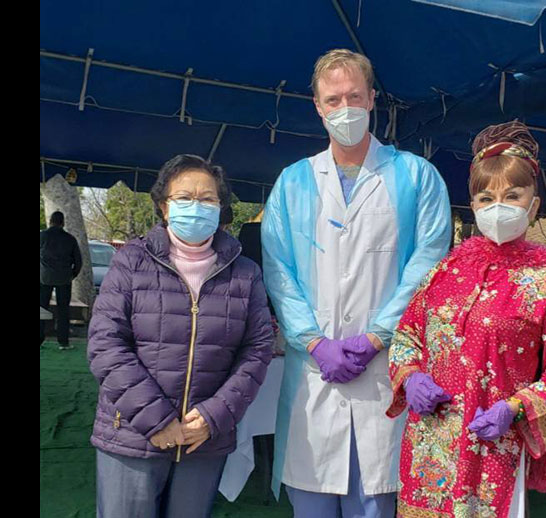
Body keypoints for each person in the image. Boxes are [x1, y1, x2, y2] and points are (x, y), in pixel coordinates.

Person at [261, 49, 452, 518]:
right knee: (311, 501)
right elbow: (279, 270)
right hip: (314, 374)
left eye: (353, 97)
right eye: (333, 100)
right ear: (317, 106)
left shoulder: (417, 177)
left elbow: (428, 263)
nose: (344, 108)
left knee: (375, 500)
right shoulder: (292, 182)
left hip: (384, 372)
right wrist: (312, 341)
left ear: (371, 100)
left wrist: (377, 336)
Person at [387, 121, 546, 518]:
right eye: (486, 197)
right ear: (474, 206)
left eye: (512, 195)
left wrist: (516, 407)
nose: (499, 206)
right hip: (428, 446)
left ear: (533, 205)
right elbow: (407, 335)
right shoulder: (446, 271)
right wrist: (410, 377)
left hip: (494, 450)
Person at [87, 154, 274, 518]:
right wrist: (157, 420)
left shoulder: (245, 273)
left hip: (202, 440)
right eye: (185, 198)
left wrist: (214, 415)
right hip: (133, 434)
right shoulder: (132, 261)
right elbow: (105, 343)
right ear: (164, 205)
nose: (196, 207)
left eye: (207, 199)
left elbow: (257, 350)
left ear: (220, 208)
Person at [40, 210, 82, 349]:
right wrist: (72, 275)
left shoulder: (42, 236)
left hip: (44, 277)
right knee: (63, 310)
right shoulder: (70, 239)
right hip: (64, 278)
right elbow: (78, 261)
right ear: (63, 223)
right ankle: (63, 341)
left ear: (50, 221)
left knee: (41, 309)